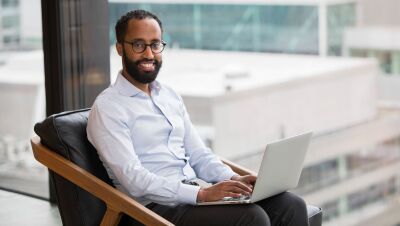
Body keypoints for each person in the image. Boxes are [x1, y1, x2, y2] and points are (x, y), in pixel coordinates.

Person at [87, 9, 309, 226]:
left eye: (155, 45)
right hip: (151, 209)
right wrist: (201, 194)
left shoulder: (169, 96)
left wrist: (232, 179)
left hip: (193, 195)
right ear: (119, 48)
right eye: (138, 45)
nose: (149, 54)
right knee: (252, 217)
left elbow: (199, 155)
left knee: (291, 205)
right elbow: (134, 180)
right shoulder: (109, 108)